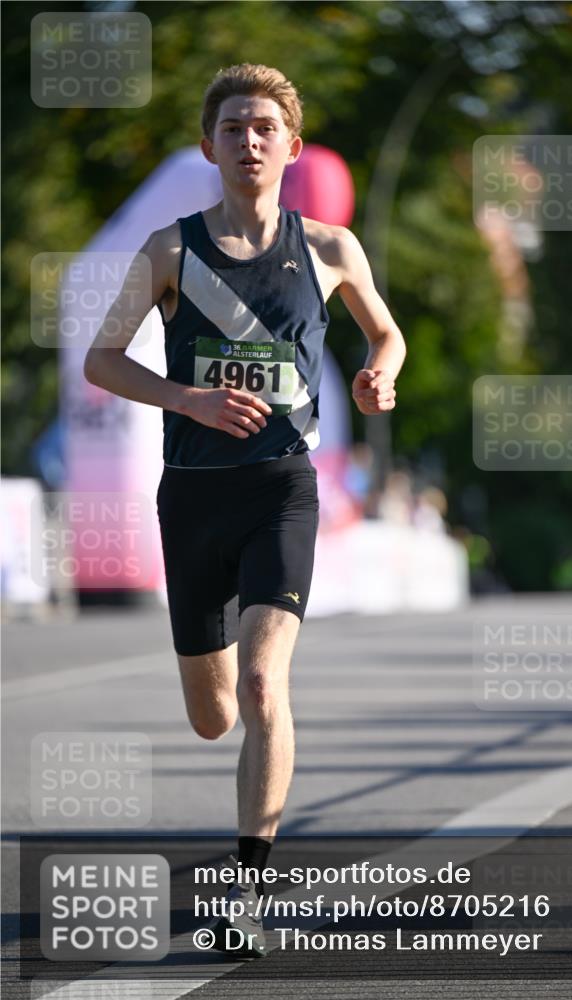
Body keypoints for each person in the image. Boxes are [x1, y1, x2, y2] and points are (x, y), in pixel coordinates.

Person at [84, 62, 406, 957]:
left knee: (266, 684)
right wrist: (186, 399)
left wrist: (384, 370)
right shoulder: (169, 248)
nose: (250, 141)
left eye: (265, 127)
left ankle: (246, 887)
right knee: (213, 714)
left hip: (282, 487)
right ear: (209, 146)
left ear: (291, 148)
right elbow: (101, 361)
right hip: (192, 495)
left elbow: (386, 329)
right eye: (233, 128)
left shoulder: (332, 246)